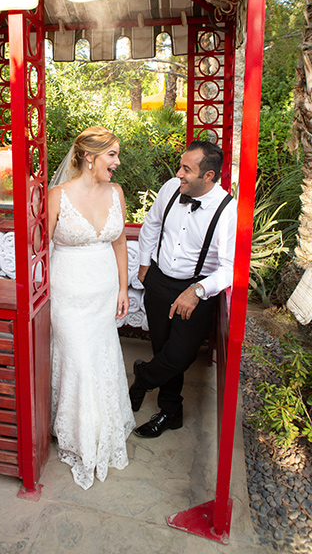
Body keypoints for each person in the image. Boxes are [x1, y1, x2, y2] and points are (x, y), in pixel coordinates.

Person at [129, 140, 237, 438]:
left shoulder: (228, 211)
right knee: (162, 347)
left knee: (179, 355)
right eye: (180, 166)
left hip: (196, 289)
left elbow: (230, 267)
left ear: (209, 176)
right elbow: (151, 225)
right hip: (159, 281)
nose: (178, 173)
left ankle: (142, 378)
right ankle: (169, 411)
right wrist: (144, 264)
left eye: (186, 169)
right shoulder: (170, 189)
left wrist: (198, 290)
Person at [48, 126, 135, 489]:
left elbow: (119, 243)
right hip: (68, 290)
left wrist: (122, 287)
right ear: (89, 156)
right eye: (111, 155)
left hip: (103, 291)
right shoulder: (58, 195)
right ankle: (78, 435)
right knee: (79, 360)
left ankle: (103, 426)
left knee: (101, 356)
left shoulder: (116, 192)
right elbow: (36, 245)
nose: (117, 162)